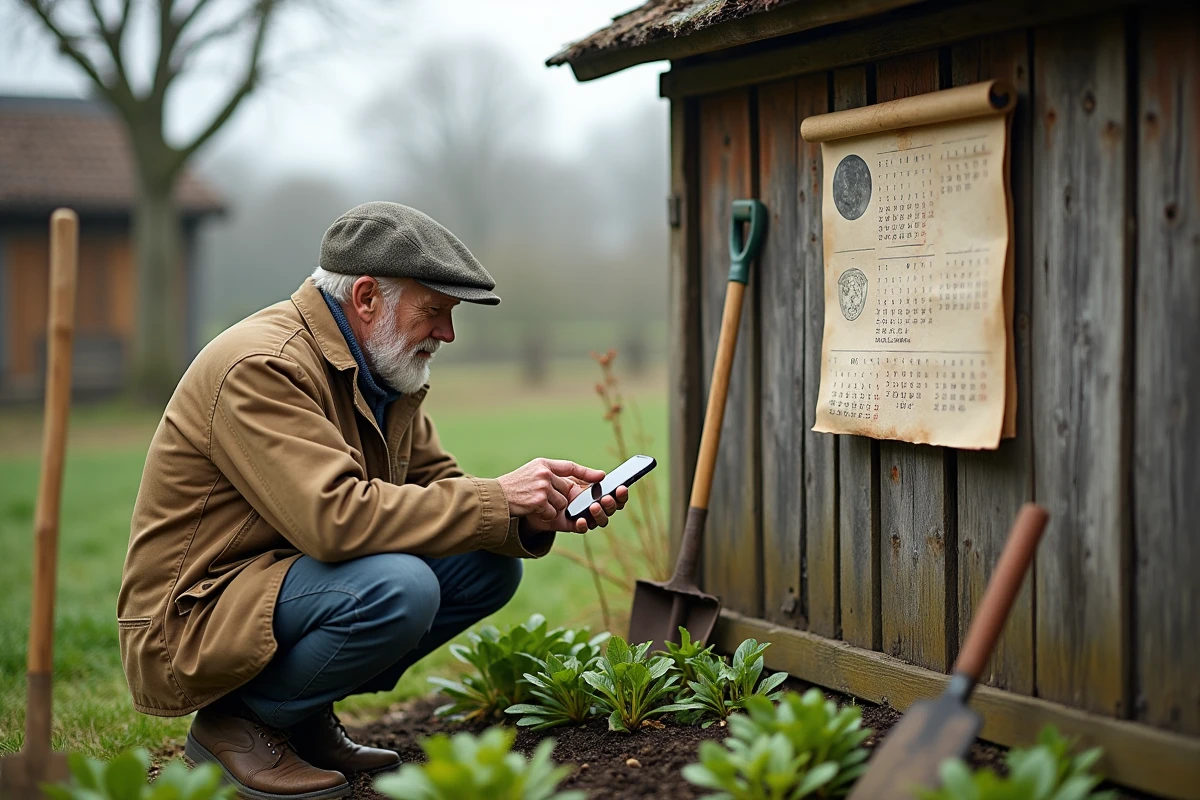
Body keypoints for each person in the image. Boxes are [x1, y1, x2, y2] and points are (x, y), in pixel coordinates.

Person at [116, 202, 630, 799]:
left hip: (278, 582)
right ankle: (240, 724)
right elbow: (333, 521)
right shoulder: (263, 366)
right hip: (195, 615)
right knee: (400, 587)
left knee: (488, 563)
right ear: (366, 298)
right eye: (434, 311)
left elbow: (440, 488)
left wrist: (532, 512)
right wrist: (494, 498)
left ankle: (300, 714)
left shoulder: (380, 371)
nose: (447, 333)